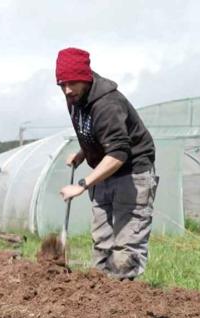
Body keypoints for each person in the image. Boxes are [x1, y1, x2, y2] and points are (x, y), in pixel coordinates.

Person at [56, 47, 158, 280]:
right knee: (102, 243)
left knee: (125, 247)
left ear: (85, 77)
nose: (67, 90)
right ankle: (100, 302)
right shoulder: (75, 98)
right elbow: (101, 134)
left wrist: (82, 184)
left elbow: (119, 151)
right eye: (62, 84)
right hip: (105, 170)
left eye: (72, 83)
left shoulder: (107, 103)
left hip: (131, 171)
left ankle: (122, 306)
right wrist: (84, 151)